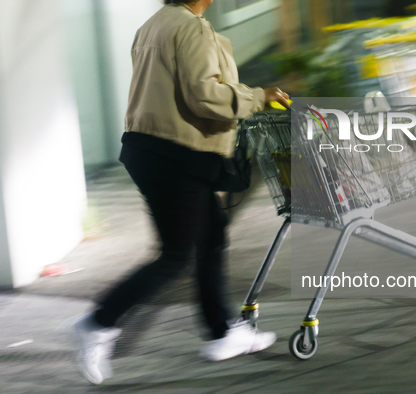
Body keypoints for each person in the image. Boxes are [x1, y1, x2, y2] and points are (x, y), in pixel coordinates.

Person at [71, 0, 290, 385]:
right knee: (175, 255)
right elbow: (204, 96)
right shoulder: (191, 28)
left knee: (211, 237)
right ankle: (98, 321)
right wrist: (258, 96)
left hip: (152, 149)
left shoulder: (154, 24)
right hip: (175, 155)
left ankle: (223, 332)